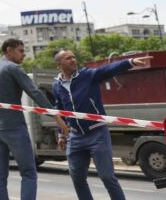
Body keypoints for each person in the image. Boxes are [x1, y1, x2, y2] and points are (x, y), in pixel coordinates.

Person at [52, 49, 151, 200]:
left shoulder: (87, 75)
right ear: (59, 64)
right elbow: (60, 110)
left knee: (107, 177)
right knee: (77, 178)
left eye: (73, 56)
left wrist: (129, 63)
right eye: (68, 58)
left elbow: (107, 69)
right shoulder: (56, 85)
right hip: (75, 136)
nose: (73, 60)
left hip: (97, 133)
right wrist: (61, 133)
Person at [0, 38, 69, 200]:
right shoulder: (13, 68)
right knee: (28, 172)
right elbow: (34, 92)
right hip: (13, 128)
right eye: (21, 51)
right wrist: (56, 115)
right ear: (9, 50)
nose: (24, 54)